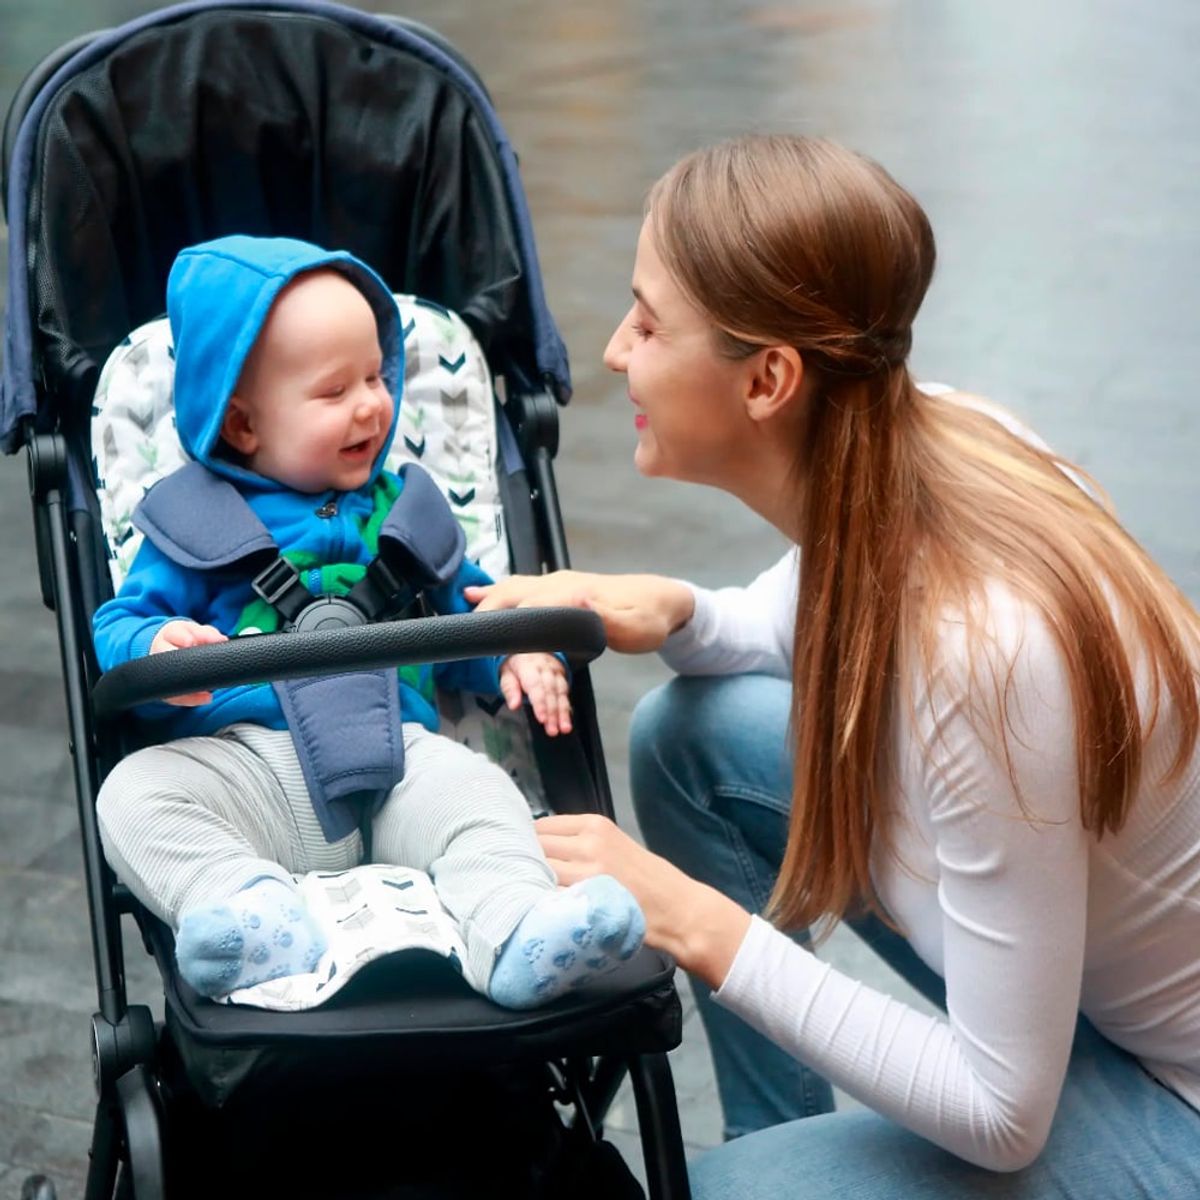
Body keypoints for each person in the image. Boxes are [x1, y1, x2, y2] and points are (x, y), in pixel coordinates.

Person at [465, 135, 1200, 1195]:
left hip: (1174, 1101)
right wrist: (677, 609)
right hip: (1085, 986)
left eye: (649, 320)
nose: (617, 351)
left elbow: (1000, 1114)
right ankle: (784, 1152)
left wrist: (686, 917)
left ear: (768, 378)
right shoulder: (937, 426)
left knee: (732, 1195)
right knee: (691, 739)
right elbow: (802, 617)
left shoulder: (985, 659)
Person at [92, 235, 644, 1010]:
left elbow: (474, 611)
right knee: (132, 794)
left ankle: (518, 928)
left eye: (375, 376)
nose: (371, 403)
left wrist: (520, 654)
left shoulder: (406, 516)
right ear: (242, 425)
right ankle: (249, 910)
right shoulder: (192, 524)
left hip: (402, 765)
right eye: (333, 391)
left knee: (484, 800)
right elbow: (121, 625)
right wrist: (156, 647)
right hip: (256, 772)